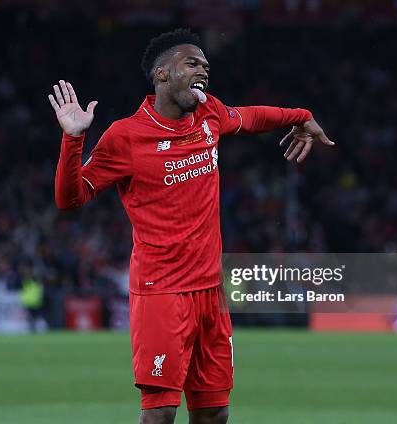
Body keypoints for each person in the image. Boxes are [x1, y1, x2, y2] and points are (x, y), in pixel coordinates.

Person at [48, 29, 333, 424]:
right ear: (161, 74)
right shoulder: (125, 137)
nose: (203, 71)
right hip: (161, 292)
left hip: (211, 294)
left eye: (206, 66)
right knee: (160, 414)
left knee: (215, 412)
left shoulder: (209, 114)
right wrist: (72, 139)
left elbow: (251, 117)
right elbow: (70, 198)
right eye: (192, 63)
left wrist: (300, 117)